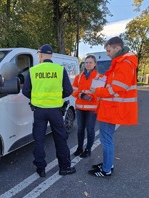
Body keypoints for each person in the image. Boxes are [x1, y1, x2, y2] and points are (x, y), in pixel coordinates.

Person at [22, 44, 76, 178]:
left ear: (40, 55)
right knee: (60, 139)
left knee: (39, 139)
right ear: (51, 55)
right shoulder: (59, 70)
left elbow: (25, 91)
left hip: (39, 110)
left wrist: (36, 99)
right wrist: (57, 97)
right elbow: (69, 90)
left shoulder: (33, 71)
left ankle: (41, 169)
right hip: (55, 111)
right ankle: (64, 167)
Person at [88, 36, 138, 177]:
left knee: (106, 139)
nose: (108, 54)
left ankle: (106, 170)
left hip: (112, 108)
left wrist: (96, 90)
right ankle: (108, 164)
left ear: (117, 48)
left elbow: (116, 88)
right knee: (107, 138)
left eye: (109, 50)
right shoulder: (123, 62)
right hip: (110, 107)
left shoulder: (124, 63)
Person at [72, 55, 105, 158]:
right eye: (86, 62)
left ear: (95, 64)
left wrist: (90, 97)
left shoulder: (99, 77)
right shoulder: (78, 77)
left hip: (91, 108)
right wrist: (81, 95)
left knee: (90, 129)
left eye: (90, 62)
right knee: (80, 129)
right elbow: (73, 90)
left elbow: (100, 92)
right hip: (80, 108)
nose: (88, 64)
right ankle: (79, 148)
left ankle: (88, 150)